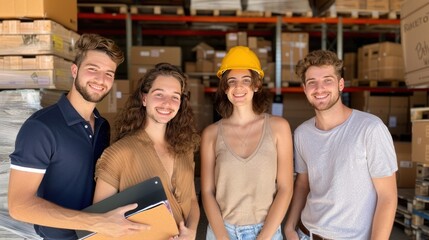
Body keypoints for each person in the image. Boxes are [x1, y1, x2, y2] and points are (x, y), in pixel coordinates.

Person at [8, 33, 148, 240]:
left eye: (109, 73)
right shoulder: (41, 127)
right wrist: (95, 222)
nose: (101, 80)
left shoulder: (102, 126)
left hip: (100, 236)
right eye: (93, 69)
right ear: (75, 70)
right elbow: (19, 206)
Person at [284, 50, 398, 240]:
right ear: (304, 88)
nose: (319, 89)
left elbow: (387, 197)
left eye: (327, 80)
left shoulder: (370, 128)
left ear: (341, 84)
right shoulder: (302, 133)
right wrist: (289, 227)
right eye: (312, 82)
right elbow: (303, 184)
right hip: (305, 234)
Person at [92, 63, 201, 240]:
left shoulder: (185, 148)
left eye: (175, 97)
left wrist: (192, 231)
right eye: (159, 94)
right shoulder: (119, 153)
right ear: (144, 98)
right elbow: (100, 223)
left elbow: (192, 201)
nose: (167, 103)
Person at [200, 46, 294, 240]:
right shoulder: (211, 134)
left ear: (256, 85)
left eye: (246, 80)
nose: (238, 87)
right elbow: (207, 192)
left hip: (267, 232)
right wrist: (222, 237)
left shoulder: (279, 128)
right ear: (225, 88)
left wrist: (263, 237)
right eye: (231, 81)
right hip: (221, 231)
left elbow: (285, 188)